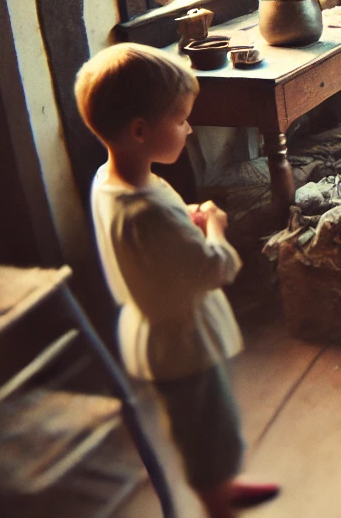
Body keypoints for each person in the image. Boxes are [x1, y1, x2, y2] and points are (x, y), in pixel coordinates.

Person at [75, 45, 279, 518]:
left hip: (161, 329)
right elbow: (217, 268)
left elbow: (153, 238)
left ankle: (224, 486)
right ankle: (217, 501)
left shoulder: (114, 180)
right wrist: (215, 227)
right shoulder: (145, 209)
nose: (189, 128)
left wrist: (184, 217)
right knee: (207, 430)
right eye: (181, 118)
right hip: (181, 342)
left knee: (208, 421)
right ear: (140, 131)